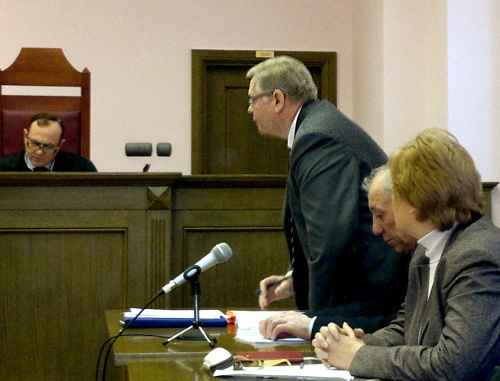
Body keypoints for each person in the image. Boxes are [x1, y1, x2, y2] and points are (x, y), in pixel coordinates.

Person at [313, 128, 500, 381]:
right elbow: (407, 329)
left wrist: (359, 357)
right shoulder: (426, 251)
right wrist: (359, 344)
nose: (377, 226)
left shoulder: (477, 256)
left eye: (396, 196)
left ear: (417, 200)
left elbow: (455, 365)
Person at [248, 55, 407, 316]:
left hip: (370, 297)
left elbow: (331, 240)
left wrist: (316, 323)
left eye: (253, 100)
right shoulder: (318, 125)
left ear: (277, 99)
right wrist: (294, 279)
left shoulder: (317, 137)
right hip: (367, 289)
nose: (249, 109)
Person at [259, 166, 416, 340]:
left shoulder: (438, 257)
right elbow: (376, 307)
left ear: (413, 208)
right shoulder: (408, 252)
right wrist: (305, 319)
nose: (375, 229)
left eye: (380, 215)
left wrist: (313, 326)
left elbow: (398, 325)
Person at [0, 112, 97, 172]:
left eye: (48, 147)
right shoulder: (3, 169)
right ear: (25, 136)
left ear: (60, 145)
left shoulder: (82, 169)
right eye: (34, 143)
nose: (39, 152)